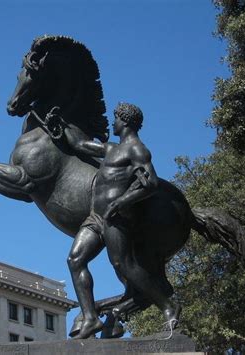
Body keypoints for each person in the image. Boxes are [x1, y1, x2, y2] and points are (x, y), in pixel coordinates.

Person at [65, 102, 180, 339]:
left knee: (124, 265)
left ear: (125, 121)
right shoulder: (112, 149)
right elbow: (81, 145)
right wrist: (60, 123)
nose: (112, 122)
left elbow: (151, 183)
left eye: (116, 118)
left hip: (117, 217)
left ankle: (168, 305)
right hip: (96, 217)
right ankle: (90, 318)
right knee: (75, 260)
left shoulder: (137, 150)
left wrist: (122, 202)